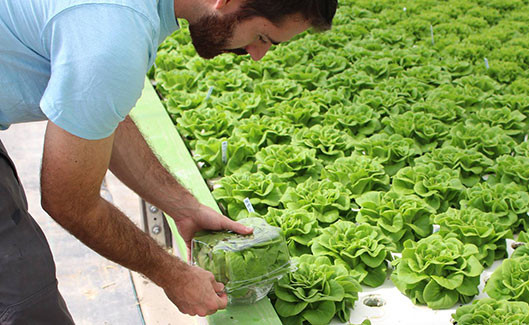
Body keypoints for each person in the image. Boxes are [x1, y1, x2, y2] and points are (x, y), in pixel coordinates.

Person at [0, 0, 337, 323]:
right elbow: (69, 201)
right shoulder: (113, 31)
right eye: (262, 37)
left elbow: (104, 115)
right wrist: (172, 273)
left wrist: (183, 206)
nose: (258, 55)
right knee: (25, 303)